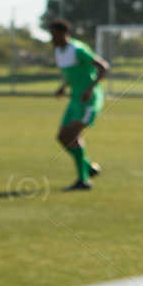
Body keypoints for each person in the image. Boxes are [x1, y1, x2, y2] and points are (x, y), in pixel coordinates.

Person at [49, 19, 110, 191]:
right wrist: (63, 87)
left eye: (53, 34)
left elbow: (103, 67)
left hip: (87, 100)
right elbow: (70, 74)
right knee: (62, 137)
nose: (51, 38)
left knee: (73, 136)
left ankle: (83, 180)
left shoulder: (78, 49)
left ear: (63, 34)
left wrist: (90, 89)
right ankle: (88, 168)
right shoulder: (59, 51)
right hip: (75, 99)